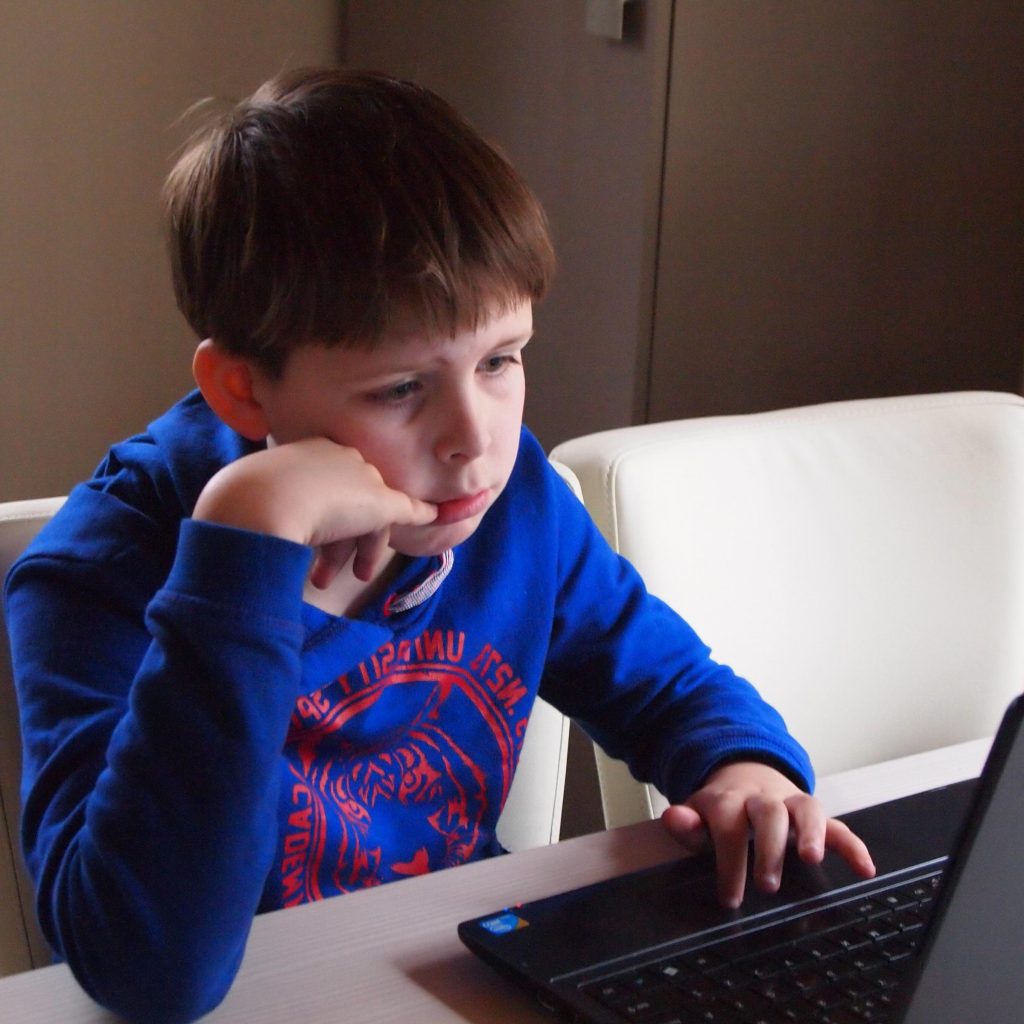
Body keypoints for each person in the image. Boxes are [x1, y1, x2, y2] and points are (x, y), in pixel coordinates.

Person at [4, 67, 874, 1024]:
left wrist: (743, 771)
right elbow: (148, 972)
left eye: (501, 361)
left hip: (450, 981)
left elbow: (668, 685)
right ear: (246, 393)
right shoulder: (97, 574)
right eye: (402, 388)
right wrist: (245, 553)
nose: (476, 437)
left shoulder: (515, 505)